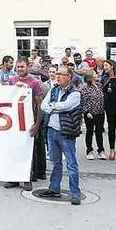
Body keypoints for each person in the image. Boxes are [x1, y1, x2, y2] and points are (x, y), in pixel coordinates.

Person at [38, 66, 82, 205]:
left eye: (60, 74)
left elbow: (67, 106)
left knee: (71, 162)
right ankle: (54, 188)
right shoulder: (54, 89)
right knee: (55, 161)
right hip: (52, 129)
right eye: (56, 73)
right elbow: (43, 106)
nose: (57, 76)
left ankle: (75, 192)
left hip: (66, 131)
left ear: (69, 77)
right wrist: (55, 106)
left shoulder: (75, 93)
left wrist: (53, 106)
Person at [5, 58, 45, 190]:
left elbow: (40, 105)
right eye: (18, 67)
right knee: (14, 148)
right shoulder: (12, 80)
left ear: (27, 67)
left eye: (22, 66)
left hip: (30, 120)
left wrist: (37, 124)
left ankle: (27, 178)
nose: (20, 69)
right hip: (14, 121)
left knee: (28, 150)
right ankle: (14, 178)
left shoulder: (35, 82)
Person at [80, 71, 106, 160]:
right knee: (90, 131)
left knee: (99, 131)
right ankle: (89, 150)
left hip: (100, 112)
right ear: (90, 77)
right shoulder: (85, 88)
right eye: (94, 74)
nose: (96, 75)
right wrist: (87, 112)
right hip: (90, 113)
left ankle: (101, 150)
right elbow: (83, 101)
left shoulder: (99, 86)